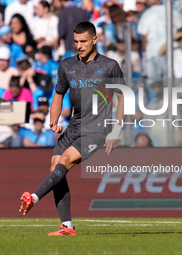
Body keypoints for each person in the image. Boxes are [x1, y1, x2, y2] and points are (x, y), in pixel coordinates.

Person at [19, 21, 125, 236]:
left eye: (83, 41)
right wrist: (54, 119)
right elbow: (58, 95)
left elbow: (123, 98)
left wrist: (116, 129)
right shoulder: (67, 65)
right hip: (74, 125)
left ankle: (34, 198)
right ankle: (67, 226)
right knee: (55, 167)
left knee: (64, 161)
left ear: (95, 40)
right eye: (76, 41)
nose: (79, 45)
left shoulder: (110, 66)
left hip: (97, 128)